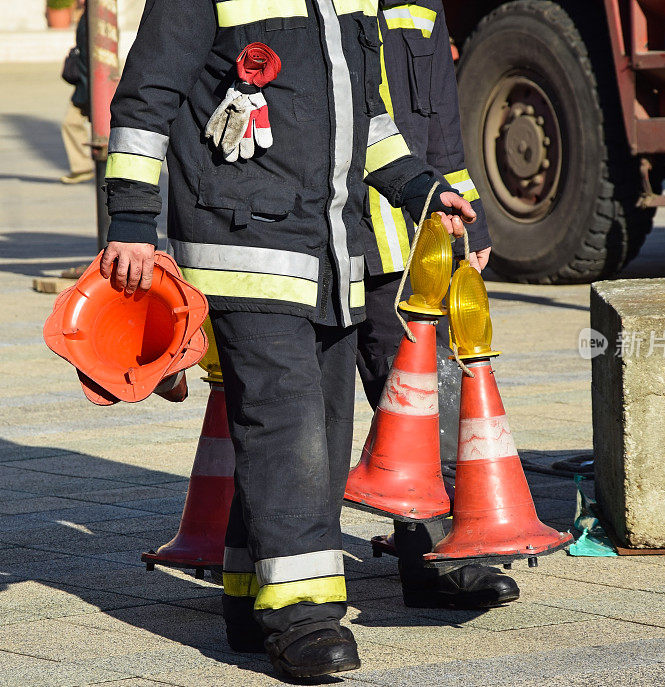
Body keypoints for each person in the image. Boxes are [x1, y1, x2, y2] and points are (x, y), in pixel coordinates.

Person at [97, 0, 475, 678]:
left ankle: (249, 595)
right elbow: (145, 100)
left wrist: (420, 187)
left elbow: (371, 117)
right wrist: (130, 220)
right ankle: (301, 617)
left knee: (319, 434)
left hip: (330, 255)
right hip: (241, 247)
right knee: (287, 425)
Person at [356, 0, 520, 610]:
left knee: (424, 402)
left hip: (412, 243)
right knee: (299, 420)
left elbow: (442, 125)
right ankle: (272, 554)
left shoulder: (421, 5)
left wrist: (469, 231)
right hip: (328, 238)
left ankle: (443, 559)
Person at [59, 0, 93, 185]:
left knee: (106, 130)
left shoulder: (94, 17)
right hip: (87, 83)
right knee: (71, 123)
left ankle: (84, 167)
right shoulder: (87, 15)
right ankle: (82, 167)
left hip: (91, 84)